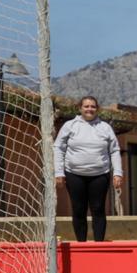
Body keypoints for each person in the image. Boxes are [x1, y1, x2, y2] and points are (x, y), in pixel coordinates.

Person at [53, 95, 123, 242]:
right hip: (74, 174)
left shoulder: (105, 128)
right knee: (79, 209)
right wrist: (59, 172)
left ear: (97, 109)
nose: (89, 109)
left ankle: (99, 244)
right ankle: (81, 243)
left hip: (100, 175)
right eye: (86, 106)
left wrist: (118, 173)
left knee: (98, 209)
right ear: (80, 108)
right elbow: (58, 148)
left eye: (92, 106)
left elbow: (115, 150)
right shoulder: (70, 126)